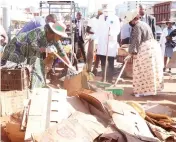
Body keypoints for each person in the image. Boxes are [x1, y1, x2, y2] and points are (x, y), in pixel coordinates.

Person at [1, 21, 74, 89]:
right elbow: (33, 45)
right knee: (14, 72)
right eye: (60, 35)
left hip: (31, 52)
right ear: (54, 33)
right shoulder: (40, 31)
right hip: (17, 48)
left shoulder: (56, 39)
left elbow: (61, 52)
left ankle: (36, 89)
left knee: (37, 69)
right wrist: (45, 49)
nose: (61, 38)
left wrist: (69, 65)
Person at [124, 10, 164, 97]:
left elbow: (136, 40)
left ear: (133, 20)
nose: (129, 23)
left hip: (145, 50)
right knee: (149, 71)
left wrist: (131, 53)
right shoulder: (143, 24)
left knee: (140, 70)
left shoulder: (137, 26)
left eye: (129, 22)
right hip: (152, 48)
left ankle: (141, 92)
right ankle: (149, 91)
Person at [96, 5, 120, 83]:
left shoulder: (115, 18)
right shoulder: (100, 18)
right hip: (102, 42)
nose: (106, 13)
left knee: (110, 62)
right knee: (103, 62)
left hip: (110, 43)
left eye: (107, 11)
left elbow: (117, 30)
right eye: (104, 11)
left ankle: (109, 79)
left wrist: (112, 33)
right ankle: (104, 77)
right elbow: (98, 29)